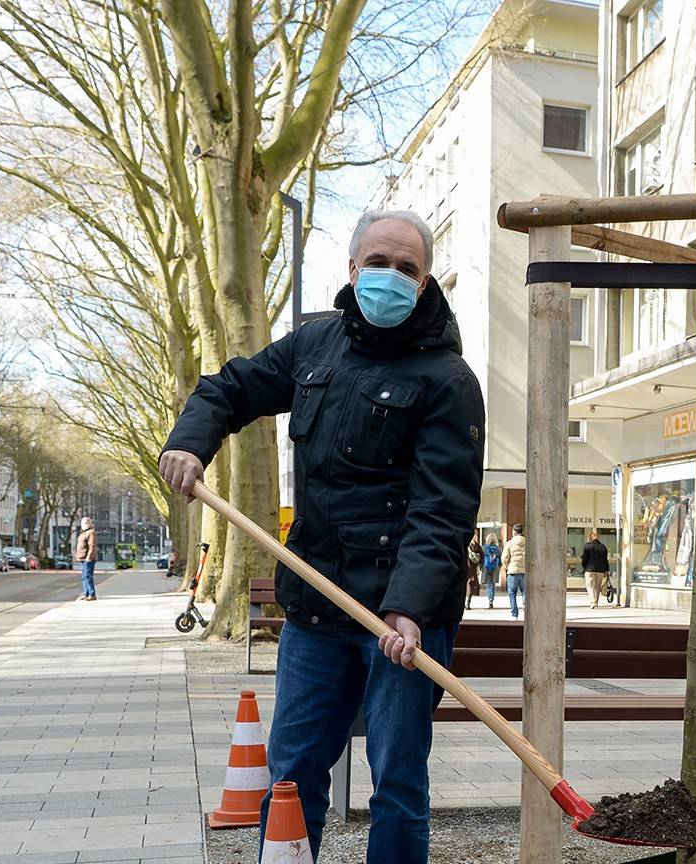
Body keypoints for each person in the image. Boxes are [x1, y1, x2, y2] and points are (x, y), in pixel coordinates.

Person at [156, 209, 486, 863]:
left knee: (397, 785)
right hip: (315, 607)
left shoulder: (448, 381)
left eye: (407, 268)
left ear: (424, 283)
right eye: (378, 263)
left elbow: (442, 512)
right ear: (353, 269)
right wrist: (191, 444)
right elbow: (229, 388)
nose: (390, 277)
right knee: (289, 776)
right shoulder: (313, 345)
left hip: (399, 620)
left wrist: (409, 607)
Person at [580, 532, 610, 609]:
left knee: (590, 586)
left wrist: (584, 566)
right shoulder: (603, 547)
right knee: (597, 586)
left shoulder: (587, 546)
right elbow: (605, 560)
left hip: (589, 569)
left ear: (590, 537)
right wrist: (606, 570)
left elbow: (584, 558)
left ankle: (593, 601)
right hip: (600, 570)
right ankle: (595, 602)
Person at [502, 524, 527, 619]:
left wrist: (507, 567)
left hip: (513, 572)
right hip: (524, 572)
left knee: (512, 593)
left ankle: (514, 615)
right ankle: (526, 608)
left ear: (514, 532)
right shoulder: (527, 543)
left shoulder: (510, 543)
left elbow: (504, 558)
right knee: (525, 592)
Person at [73, 517, 98, 601]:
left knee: (88, 576)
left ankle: (92, 594)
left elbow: (92, 546)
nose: (85, 524)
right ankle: (86, 593)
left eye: (87, 522)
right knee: (84, 577)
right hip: (83, 558)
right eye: (84, 522)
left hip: (88, 559)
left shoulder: (91, 532)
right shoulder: (83, 533)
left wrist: (89, 557)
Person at [481, 534, 502, 609]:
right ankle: (491, 600)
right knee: (493, 585)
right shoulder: (498, 549)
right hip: (495, 568)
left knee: (489, 585)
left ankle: (490, 600)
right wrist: (499, 567)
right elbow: (500, 560)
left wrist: (481, 567)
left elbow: (481, 559)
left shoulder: (483, 548)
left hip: (486, 568)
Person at [466, 538, 483, 609]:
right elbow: (481, 557)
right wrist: (480, 565)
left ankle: (465, 603)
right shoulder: (477, 546)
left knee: (466, 583)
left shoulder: (465, 544)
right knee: (470, 582)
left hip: (465, 566)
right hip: (473, 567)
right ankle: (468, 603)